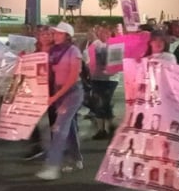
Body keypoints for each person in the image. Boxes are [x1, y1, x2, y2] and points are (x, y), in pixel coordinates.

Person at [37, 22, 85, 180]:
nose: (55, 35)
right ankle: (76, 158)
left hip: (72, 93)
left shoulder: (74, 51)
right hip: (59, 93)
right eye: (55, 33)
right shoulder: (53, 51)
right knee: (68, 127)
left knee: (59, 128)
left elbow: (72, 79)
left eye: (59, 33)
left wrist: (55, 97)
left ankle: (52, 166)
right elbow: (41, 66)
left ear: (67, 36)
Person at [23, 25, 58, 159]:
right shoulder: (35, 51)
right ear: (38, 37)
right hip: (38, 88)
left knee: (54, 119)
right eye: (43, 34)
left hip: (54, 88)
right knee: (32, 117)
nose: (46, 37)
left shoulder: (58, 50)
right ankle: (36, 145)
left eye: (49, 34)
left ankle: (58, 146)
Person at [89, 25, 119, 140]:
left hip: (110, 79)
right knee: (98, 103)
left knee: (104, 102)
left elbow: (107, 54)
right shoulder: (93, 45)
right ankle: (103, 129)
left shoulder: (114, 45)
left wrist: (95, 41)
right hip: (96, 77)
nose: (103, 35)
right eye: (101, 32)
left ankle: (109, 127)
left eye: (106, 33)